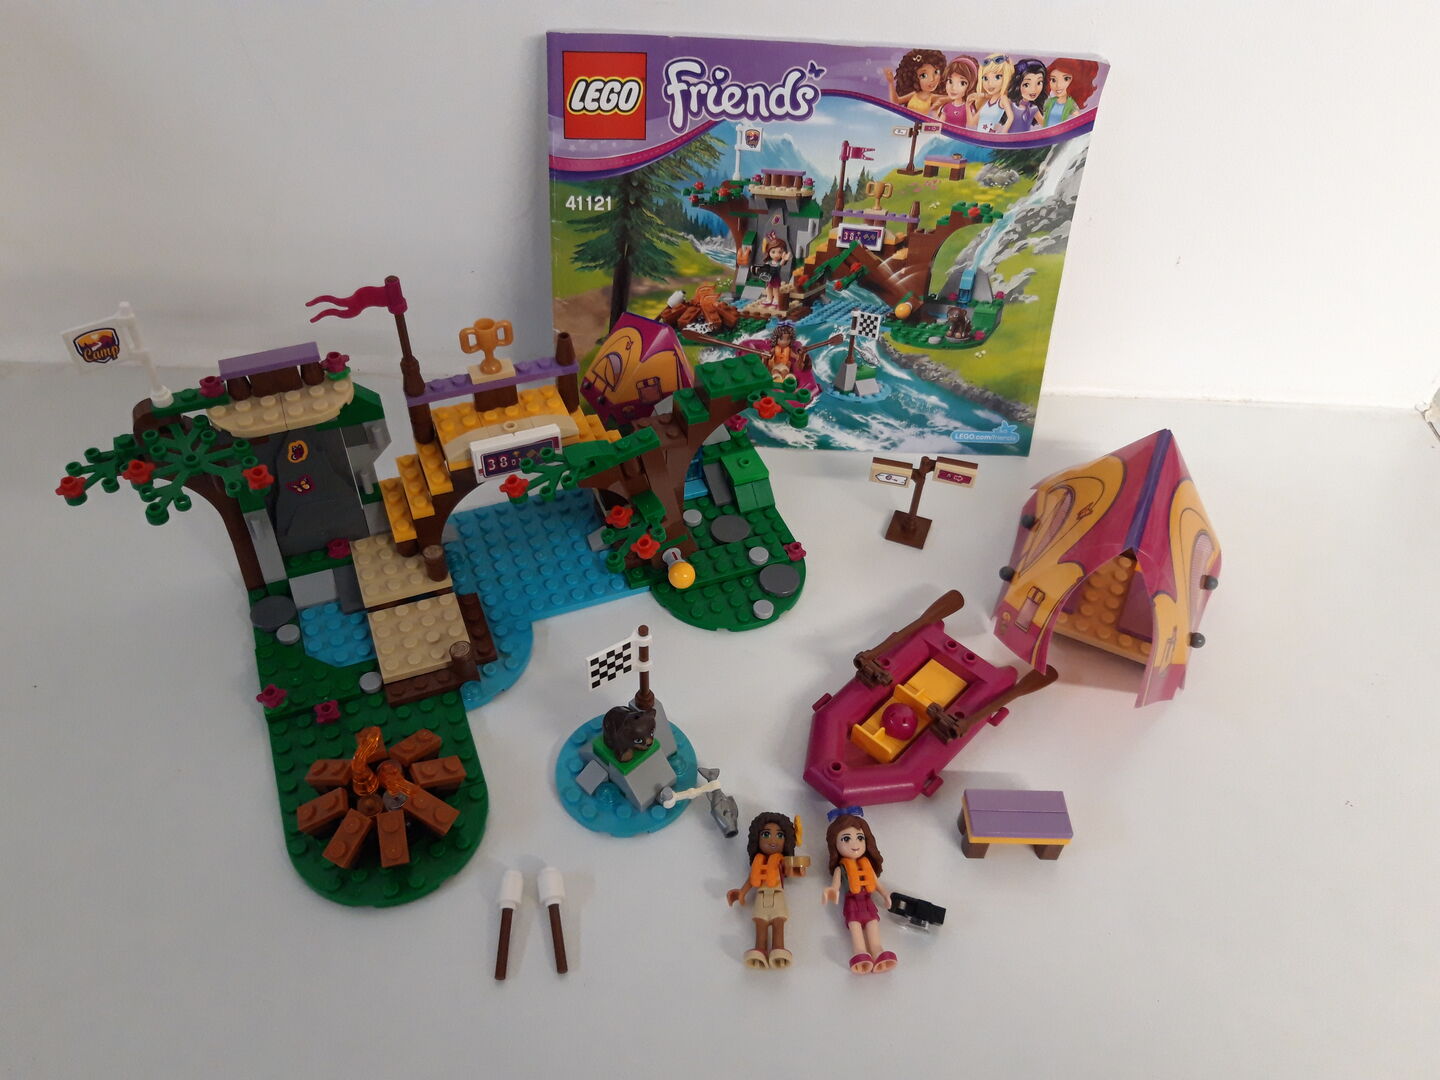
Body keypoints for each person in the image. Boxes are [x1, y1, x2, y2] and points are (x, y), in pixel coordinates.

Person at [821, 809, 896, 974]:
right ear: (835, 845)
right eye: (846, 839)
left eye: (860, 838)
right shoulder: (841, 868)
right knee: (855, 928)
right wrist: (832, 891)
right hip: (852, 904)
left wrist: (885, 894)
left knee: (872, 925)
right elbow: (835, 885)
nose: (854, 844)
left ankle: (878, 951)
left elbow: (877, 884)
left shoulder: (867, 865)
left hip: (868, 902)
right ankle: (860, 953)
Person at [727, 812, 803, 969]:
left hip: (778, 896)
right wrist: (742, 892)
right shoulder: (758, 862)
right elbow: (751, 880)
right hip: (760, 897)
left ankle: (778, 948)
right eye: (766, 834)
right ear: (757, 838)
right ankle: (759, 950)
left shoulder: (781, 861)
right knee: (760, 923)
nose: (773, 840)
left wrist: (799, 868)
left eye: (780, 835)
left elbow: (790, 872)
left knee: (778, 922)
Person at [884, 48, 947, 116]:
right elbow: (895, 102)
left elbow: (952, 98)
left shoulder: (933, 98)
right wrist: (891, 83)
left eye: (936, 72)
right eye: (923, 75)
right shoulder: (913, 95)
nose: (932, 79)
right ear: (914, 78)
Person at [1041, 57, 1100, 127]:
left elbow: (1079, 121)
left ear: (1075, 81)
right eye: (1053, 80)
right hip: (1047, 132)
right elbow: (1039, 114)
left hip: (1062, 132)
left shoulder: (1071, 104)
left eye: (1066, 79)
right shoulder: (1050, 102)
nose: (1058, 85)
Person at [968, 54, 1015, 133]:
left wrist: (1003, 133)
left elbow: (1011, 117)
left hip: (991, 137)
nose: (990, 83)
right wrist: (967, 105)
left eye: (997, 77)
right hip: (979, 136)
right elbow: (971, 123)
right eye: (985, 78)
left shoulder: (1002, 99)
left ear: (1006, 77)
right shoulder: (986, 102)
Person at [1007, 58, 1049, 133]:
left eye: (1039, 83)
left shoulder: (1033, 108)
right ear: (1018, 84)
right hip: (1008, 138)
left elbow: (1046, 126)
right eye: (1026, 84)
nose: (1034, 89)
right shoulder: (1010, 104)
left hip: (1026, 139)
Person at [936, 56, 979, 128]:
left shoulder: (969, 108)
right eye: (950, 81)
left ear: (970, 86)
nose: (953, 88)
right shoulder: (946, 107)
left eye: (962, 83)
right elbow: (939, 126)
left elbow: (971, 127)